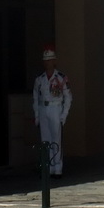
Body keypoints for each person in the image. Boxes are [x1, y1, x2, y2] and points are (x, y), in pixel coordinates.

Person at [32, 45, 72, 178]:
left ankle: (58, 167)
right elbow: (36, 98)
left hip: (56, 108)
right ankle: (48, 167)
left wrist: (64, 115)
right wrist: (37, 115)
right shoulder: (40, 78)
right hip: (44, 109)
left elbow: (68, 97)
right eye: (45, 60)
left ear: (54, 61)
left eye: (50, 60)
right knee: (46, 140)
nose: (47, 63)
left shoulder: (61, 77)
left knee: (56, 139)